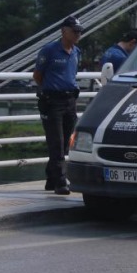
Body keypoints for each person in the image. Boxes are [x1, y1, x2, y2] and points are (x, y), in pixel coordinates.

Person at [33, 16, 83, 195]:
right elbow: (38, 75)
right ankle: (61, 180)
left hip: (70, 101)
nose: (78, 34)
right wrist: (50, 90)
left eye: (79, 31)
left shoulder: (77, 52)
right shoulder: (49, 50)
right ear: (63, 31)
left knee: (66, 141)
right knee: (56, 142)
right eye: (74, 31)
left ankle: (51, 177)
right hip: (52, 101)